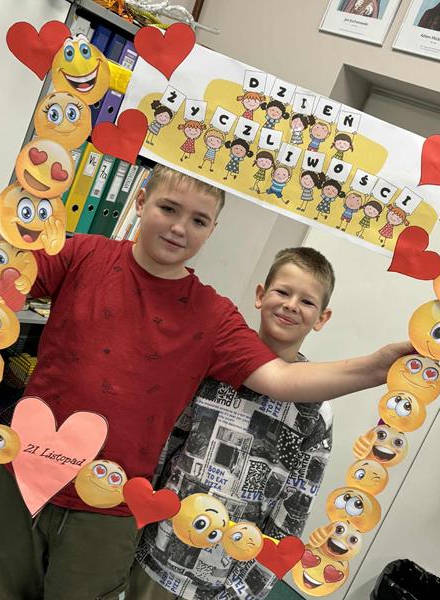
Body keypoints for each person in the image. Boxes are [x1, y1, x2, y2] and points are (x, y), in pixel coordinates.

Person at [0, 164, 411, 599]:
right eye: (168, 208)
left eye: (198, 220)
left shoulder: (213, 317)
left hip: (109, 506)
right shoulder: (81, 255)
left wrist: (377, 367)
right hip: (21, 474)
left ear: (212, 229)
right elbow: (9, 272)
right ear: (141, 201)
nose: (179, 228)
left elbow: (284, 379)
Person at [127, 247, 336, 599]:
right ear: (260, 295)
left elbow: (295, 507)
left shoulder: (315, 410)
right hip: (158, 555)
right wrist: (134, 530)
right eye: (283, 292)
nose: (291, 305)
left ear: (321, 318)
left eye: (306, 301)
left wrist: (247, 588)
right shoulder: (213, 369)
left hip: (224, 581)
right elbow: (165, 448)